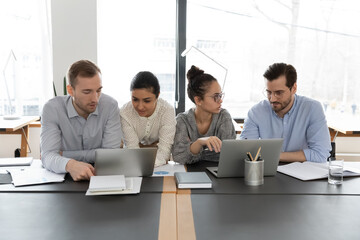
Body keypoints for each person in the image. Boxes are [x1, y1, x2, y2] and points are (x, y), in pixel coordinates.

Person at [41, 60, 122, 181]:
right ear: (70, 90)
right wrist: (70, 164)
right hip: (65, 176)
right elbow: (47, 156)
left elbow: (110, 155)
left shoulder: (110, 106)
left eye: (98, 90)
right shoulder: (52, 109)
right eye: (87, 92)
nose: (95, 99)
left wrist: (66, 155)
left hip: (100, 175)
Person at [240, 63, 331, 163]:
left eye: (279, 93)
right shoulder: (256, 112)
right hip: (267, 174)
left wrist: (276, 156)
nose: (272, 98)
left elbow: (320, 154)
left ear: (294, 88)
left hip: (302, 174)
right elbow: (245, 151)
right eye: (269, 92)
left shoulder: (312, 109)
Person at [172, 65, 236, 164]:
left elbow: (229, 155)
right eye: (216, 97)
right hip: (189, 173)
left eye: (220, 95)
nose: (220, 100)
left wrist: (191, 148)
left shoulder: (224, 116)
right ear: (198, 100)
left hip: (218, 171)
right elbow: (179, 157)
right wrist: (200, 142)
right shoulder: (182, 120)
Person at [120, 71, 176, 167]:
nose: (140, 107)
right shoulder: (125, 113)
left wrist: (143, 149)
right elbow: (133, 152)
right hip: (134, 163)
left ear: (157, 96)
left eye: (147, 101)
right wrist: (153, 147)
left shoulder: (167, 110)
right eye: (135, 99)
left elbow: (164, 153)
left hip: (156, 167)